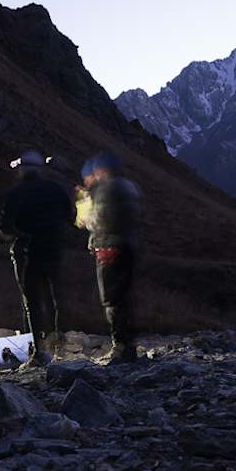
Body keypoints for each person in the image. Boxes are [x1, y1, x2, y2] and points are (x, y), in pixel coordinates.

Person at [0, 150, 75, 367]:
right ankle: (58, 348)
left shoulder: (16, 193)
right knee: (55, 299)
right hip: (54, 250)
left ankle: (38, 351)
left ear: (23, 170)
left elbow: (5, 227)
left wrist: (21, 234)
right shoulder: (56, 189)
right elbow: (71, 216)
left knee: (32, 301)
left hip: (27, 253)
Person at [76, 151, 141, 365]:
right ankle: (129, 345)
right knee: (125, 297)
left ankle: (120, 347)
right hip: (129, 245)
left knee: (112, 299)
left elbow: (94, 222)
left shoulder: (104, 190)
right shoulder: (129, 187)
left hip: (108, 248)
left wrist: (84, 204)